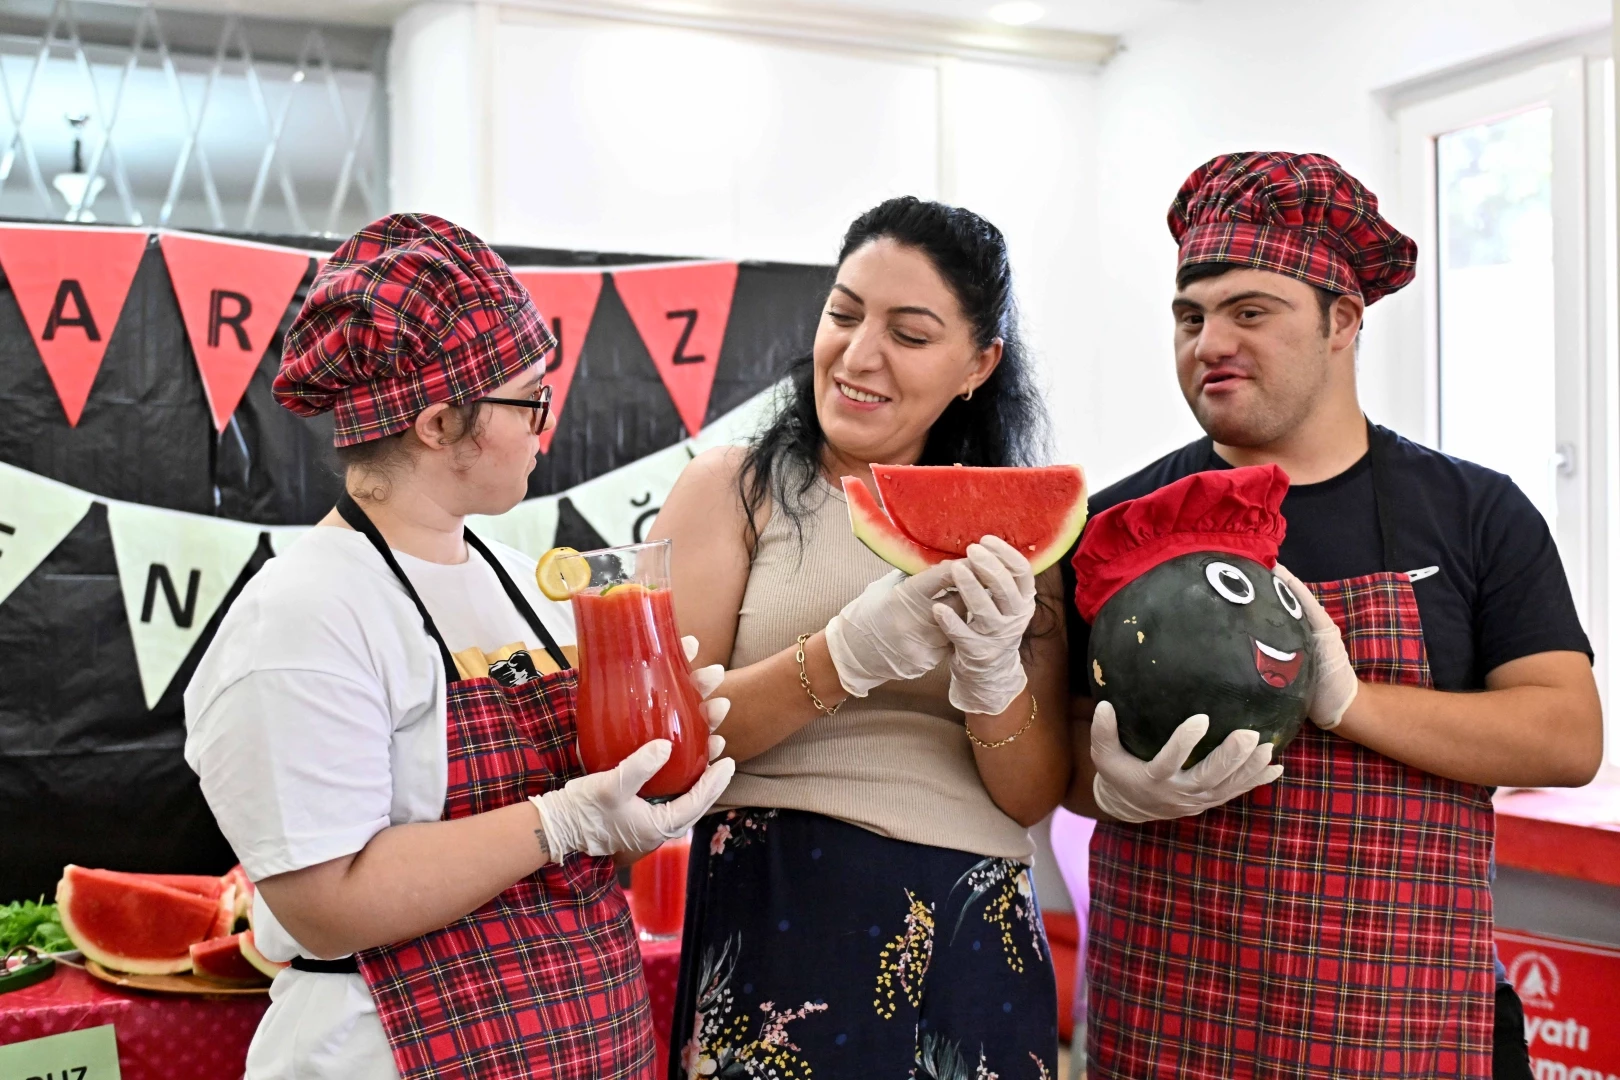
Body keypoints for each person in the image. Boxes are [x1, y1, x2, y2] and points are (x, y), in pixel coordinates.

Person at [1062, 152, 1605, 1080]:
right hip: (1169, 1014)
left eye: (1250, 312)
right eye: (1190, 317)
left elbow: (1566, 737)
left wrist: (1351, 703)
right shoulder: (1122, 525)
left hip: (1399, 1019)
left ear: (1344, 321)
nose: (1209, 342)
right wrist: (1107, 788)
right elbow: (1062, 750)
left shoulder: (1473, 512)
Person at [183, 213, 735, 1080]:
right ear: (440, 423)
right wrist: (559, 820)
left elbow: (578, 859)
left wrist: (642, 798)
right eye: (530, 400)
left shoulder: (529, 586)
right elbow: (327, 902)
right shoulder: (301, 617)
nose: (545, 425)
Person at [651, 196, 1070, 1077]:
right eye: (843, 314)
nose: (858, 354)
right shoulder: (731, 488)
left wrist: (993, 681)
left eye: (909, 334)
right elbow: (665, 745)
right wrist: (841, 659)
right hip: (782, 906)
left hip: (980, 923)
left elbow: (1031, 797)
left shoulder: (1015, 536)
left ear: (979, 364)